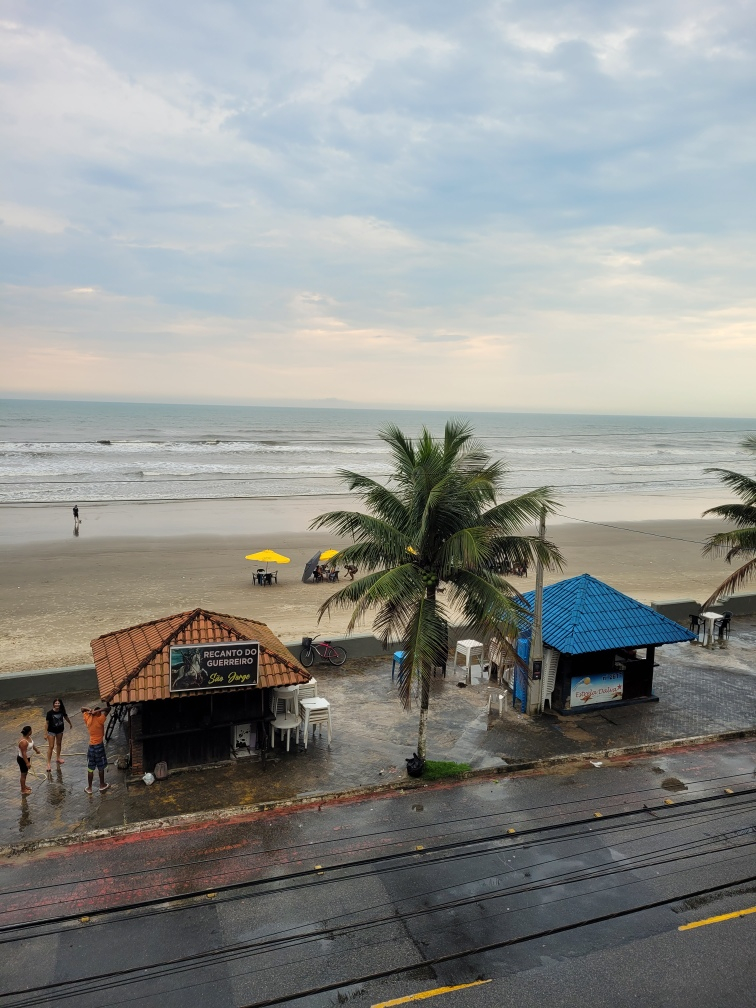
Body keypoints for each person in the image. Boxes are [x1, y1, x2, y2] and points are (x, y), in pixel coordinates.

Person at [81, 703, 110, 793]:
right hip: (99, 746)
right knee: (100, 767)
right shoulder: (100, 719)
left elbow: (82, 708)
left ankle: (89, 788)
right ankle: (102, 785)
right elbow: (108, 709)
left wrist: (89, 710)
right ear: (97, 713)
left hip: (91, 747)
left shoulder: (88, 719)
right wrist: (98, 710)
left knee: (90, 768)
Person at [45, 697, 73, 770]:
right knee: (51, 746)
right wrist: (45, 733)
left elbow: (66, 717)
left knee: (59, 744)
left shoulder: (62, 711)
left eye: (58, 703)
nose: (57, 704)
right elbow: (46, 723)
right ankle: (48, 763)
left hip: (60, 730)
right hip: (51, 731)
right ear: (53, 704)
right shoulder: (49, 713)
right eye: (56, 703)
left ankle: (58, 758)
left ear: (60, 704)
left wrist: (70, 723)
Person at [17, 725, 40, 796]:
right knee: (23, 774)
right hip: (22, 759)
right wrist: (27, 763)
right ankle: (23, 789)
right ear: (29, 732)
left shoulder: (28, 738)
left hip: (27, 758)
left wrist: (36, 750)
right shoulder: (23, 742)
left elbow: (32, 745)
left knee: (25, 773)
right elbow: (23, 753)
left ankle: (24, 786)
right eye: (31, 730)